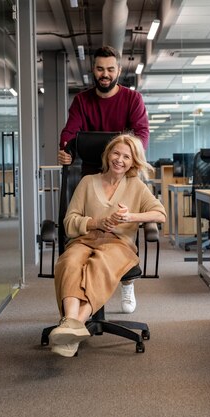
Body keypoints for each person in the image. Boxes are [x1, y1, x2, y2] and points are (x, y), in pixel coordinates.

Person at [49, 134, 166, 357]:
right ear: (107, 155)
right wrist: (96, 222)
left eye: (126, 156)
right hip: (85, 239)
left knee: (99, 264)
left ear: (133, 162)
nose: (119, 160)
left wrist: (129, 217)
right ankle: (71, 324)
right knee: (70, 261)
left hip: (119, 244)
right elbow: (69, 221)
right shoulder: (87, 182)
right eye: (116, 153)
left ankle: (74, 324)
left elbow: (160, 215)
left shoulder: (136, 186)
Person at [57, 45, 150, 314]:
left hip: (126, 173)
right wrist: (65, 149)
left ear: (118, 70)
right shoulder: (83, 101)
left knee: (120, 231)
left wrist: (127, 157)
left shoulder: (132, 99)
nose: (105, 74)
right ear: (93, 71)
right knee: (91, 233)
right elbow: (70, 132)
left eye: (110, 69)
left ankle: (127, 279)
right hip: (91, 172)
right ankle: (82, 290)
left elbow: (141, 133)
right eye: (100, 69)